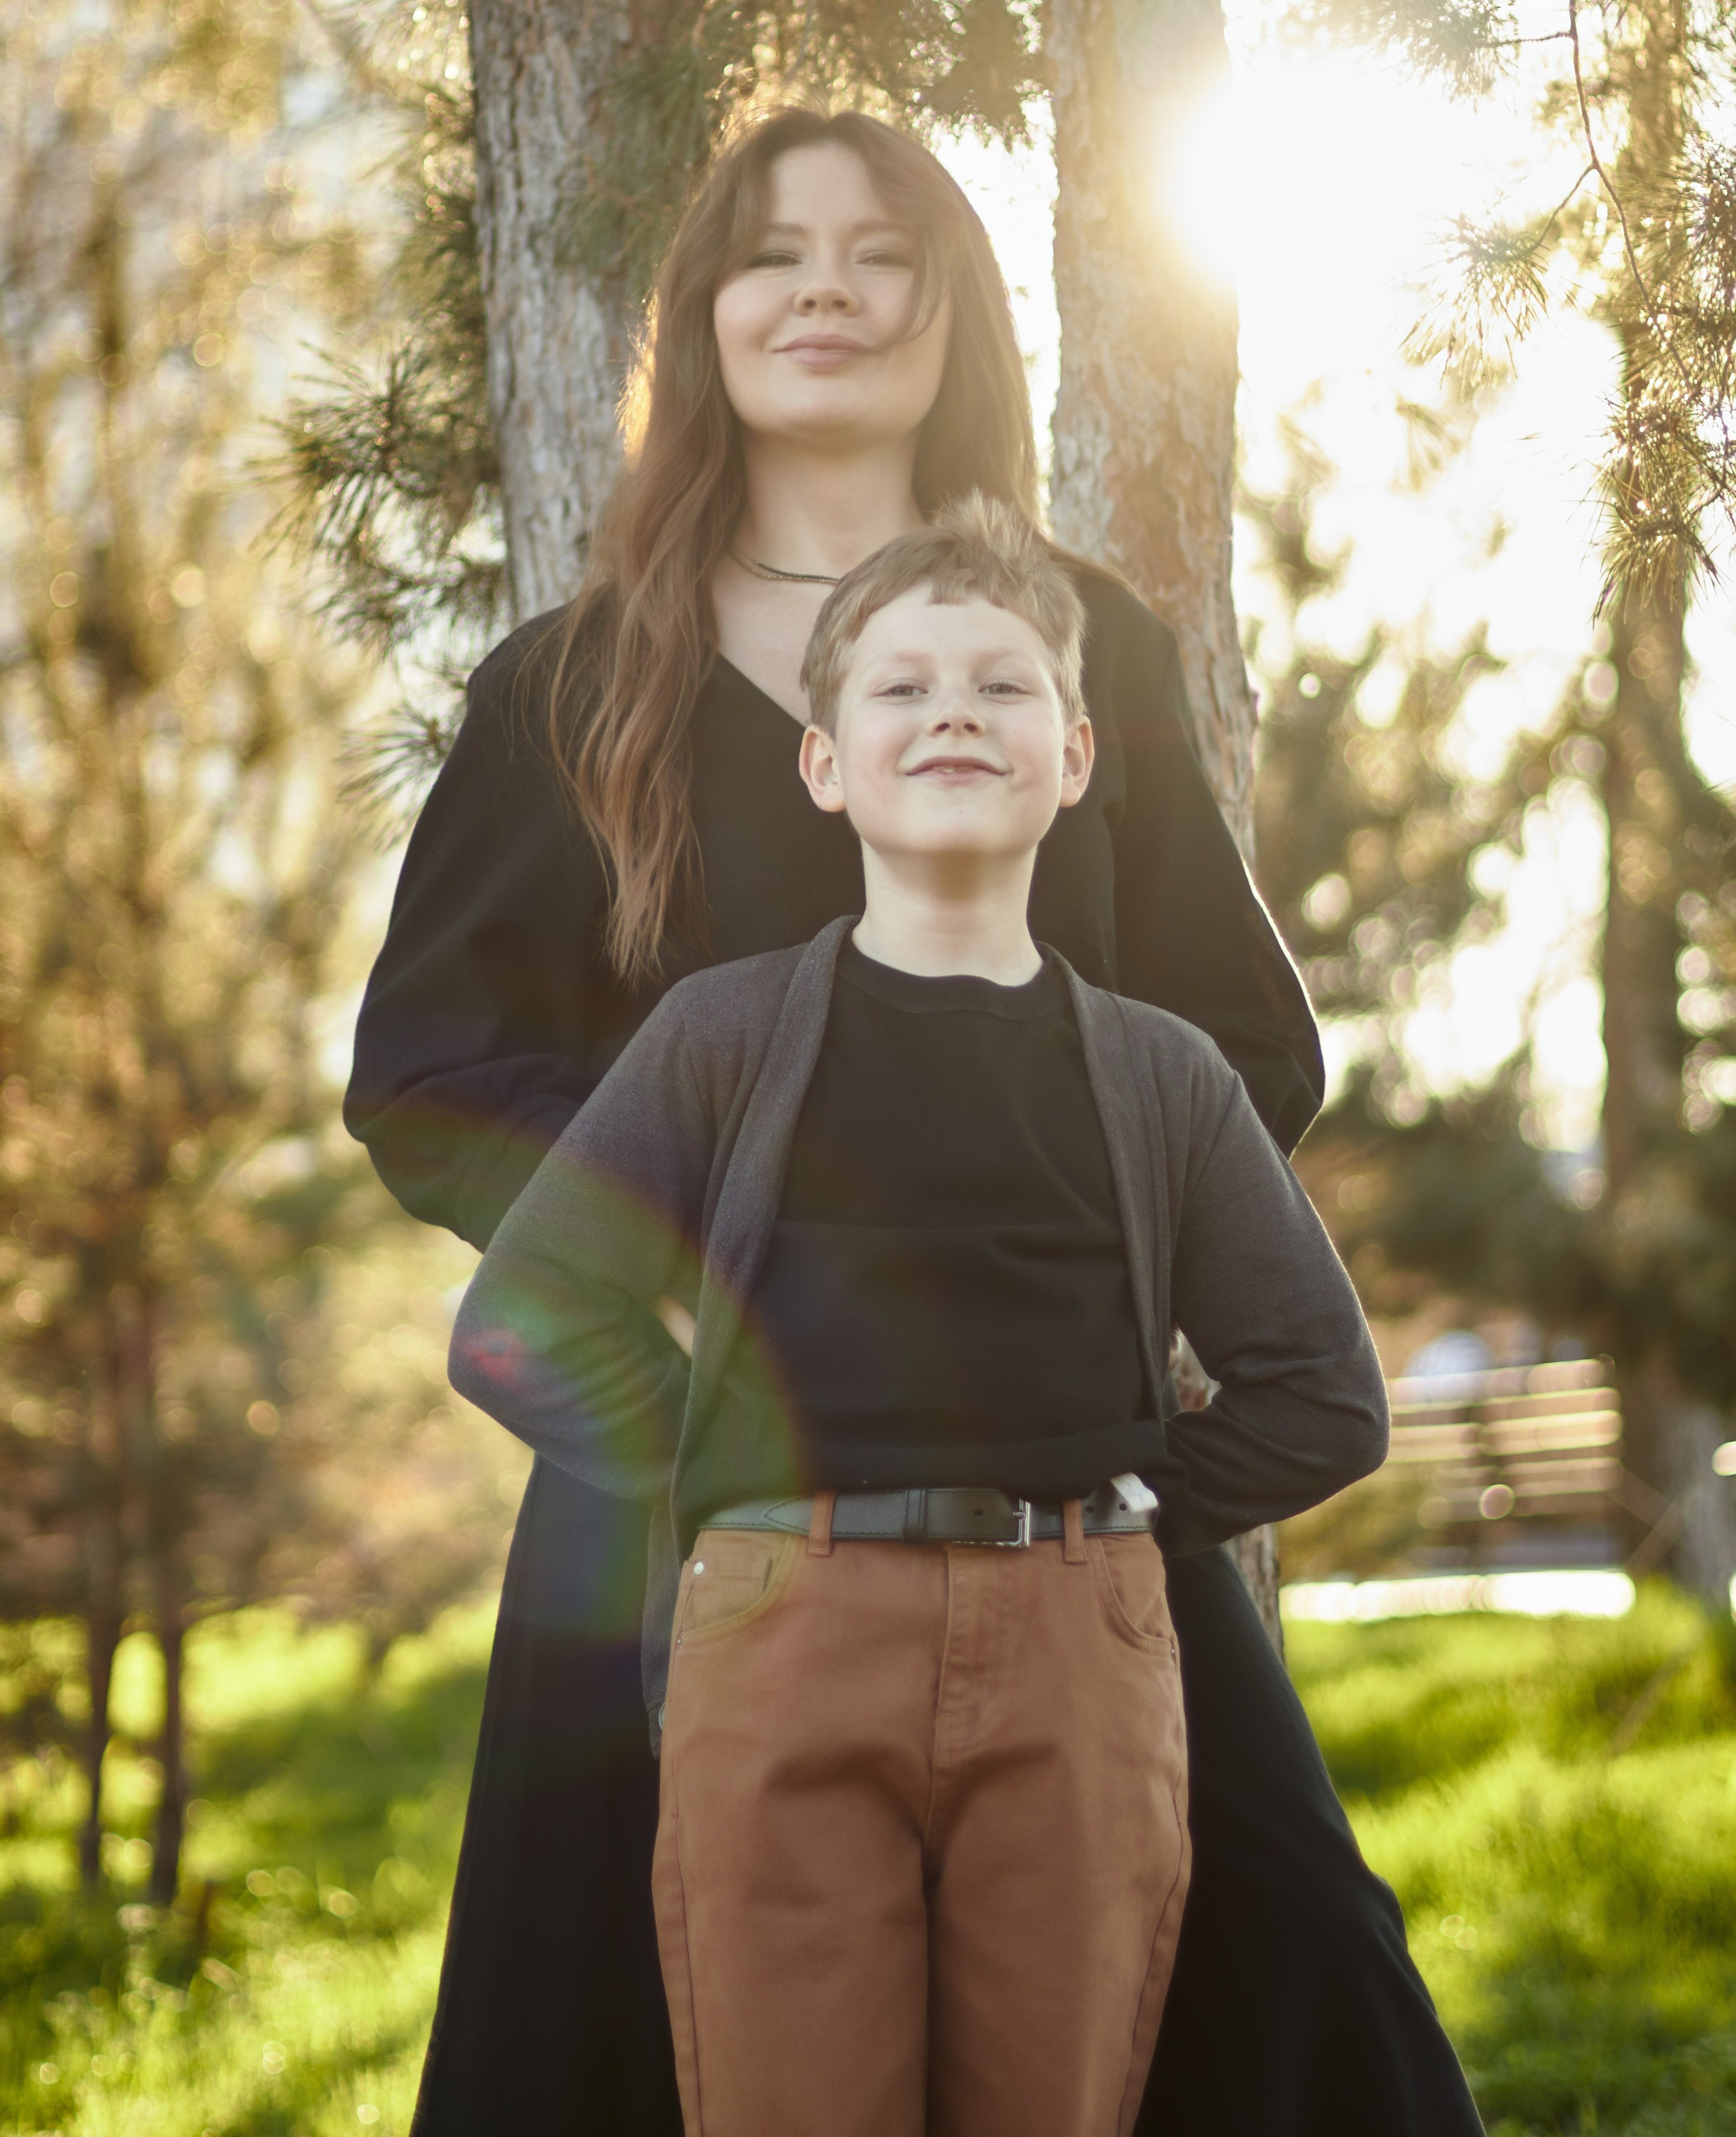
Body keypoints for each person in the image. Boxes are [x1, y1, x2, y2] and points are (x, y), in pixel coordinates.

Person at [347, 103, 1486, 2136]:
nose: (829, 293)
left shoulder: (1081, 652)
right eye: (775, 255)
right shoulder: (568, 686)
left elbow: (1240, 1041)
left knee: (1292, 1976)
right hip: (685, 1476)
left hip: (1065, 1477)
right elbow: (428, 1076)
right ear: (702, 317)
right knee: (623, 2026)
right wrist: (695, 1254)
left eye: (884, 255)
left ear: (957, 312)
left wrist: (1061, 1241)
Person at [446, 501, 1392, 2137]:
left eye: (1001, 685)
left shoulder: (1161, 1074)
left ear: (1078, 757)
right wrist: (716, 1487)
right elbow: (517, 1318)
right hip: (784, 1636)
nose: (952, 709)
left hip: (1078, 1655)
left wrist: (1136, 1512)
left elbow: (1321, 1392)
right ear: (823, 765)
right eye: (898, 689)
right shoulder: (719, 1039)